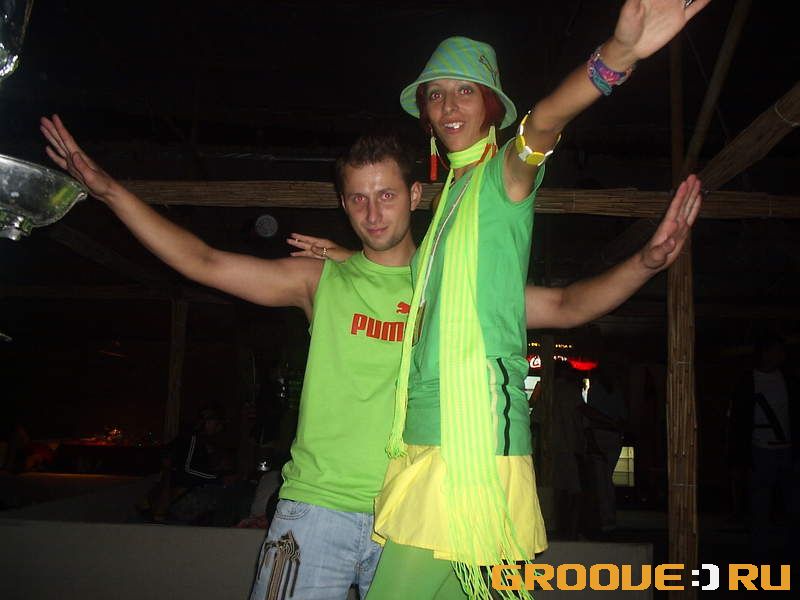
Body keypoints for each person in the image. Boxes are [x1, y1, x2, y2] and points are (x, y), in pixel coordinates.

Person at [41, 111, 700, 597]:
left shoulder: (456, 287)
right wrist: (109, 190)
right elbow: (204, 261)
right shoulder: (320, 280)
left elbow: (567, 306)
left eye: (386, 194)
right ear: (343, 203)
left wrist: (646, 262)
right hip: (316, 512)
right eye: (357, 197)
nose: (372, 211)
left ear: (414, 195)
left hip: (413, 519)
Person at [349, 2, 710, 598]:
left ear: (491, 106)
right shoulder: (449, 210)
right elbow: (563, 307)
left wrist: (615, 58)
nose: (448, 105)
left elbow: (543, 124)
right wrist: (645, 263)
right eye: (436, 94)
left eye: (465, 90)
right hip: (431, 439)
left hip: (467, 445)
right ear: (425, 113)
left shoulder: (500, 179)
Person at [729, 333, 799, 561]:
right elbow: (738, 421)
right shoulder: (748, 381)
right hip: (760, 449)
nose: (781, 356)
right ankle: (760, 555)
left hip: (787, 449)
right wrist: (739, 458)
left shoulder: (789, 380)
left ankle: (789, 551)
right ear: (766, 353)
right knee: (760, 504)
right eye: (777, 351)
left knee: (792, 504)